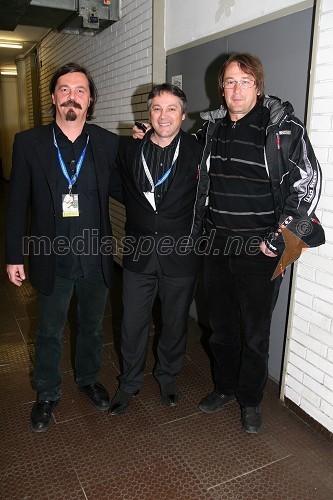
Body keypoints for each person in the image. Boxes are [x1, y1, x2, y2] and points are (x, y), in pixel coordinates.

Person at [193, 53, 325, 433]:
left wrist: (276, 239)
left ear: (258, 86)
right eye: (230, 82)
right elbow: (187, 165)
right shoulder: (210, 131)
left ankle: (250, 401)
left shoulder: (282, 129)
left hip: (261, 252)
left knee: (255, 332)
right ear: (222, 88)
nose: (236, 89)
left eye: (244, 81)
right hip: (217, 247)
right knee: (221, 329)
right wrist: (147, 137)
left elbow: (308, 185)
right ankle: (225, 387)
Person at [5, 62, 122, 432]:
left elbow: (126, 189)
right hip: (49, 257)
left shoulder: (106, 143)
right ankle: (47, 392)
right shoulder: (28, 143)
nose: (73, 96)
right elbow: (17, 203)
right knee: (49, 330)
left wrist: (148, 148)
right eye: (65, 89)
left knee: (91, 328)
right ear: (54, 97)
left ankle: (88, 379)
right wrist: (12, 256)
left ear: (90, 101)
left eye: (81, 90)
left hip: (95, 257)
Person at [109, 83, 208, 416]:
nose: (163, 116)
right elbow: (119, 188)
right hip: (138, 253)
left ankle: (167, 375)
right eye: (156, 109)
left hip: (181, 255)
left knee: (175, 322)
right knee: (132, 322)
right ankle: (129, 383)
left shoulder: (198, 150)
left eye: (171, 109)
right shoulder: (128, 150)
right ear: (147, 114)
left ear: (182, 114)